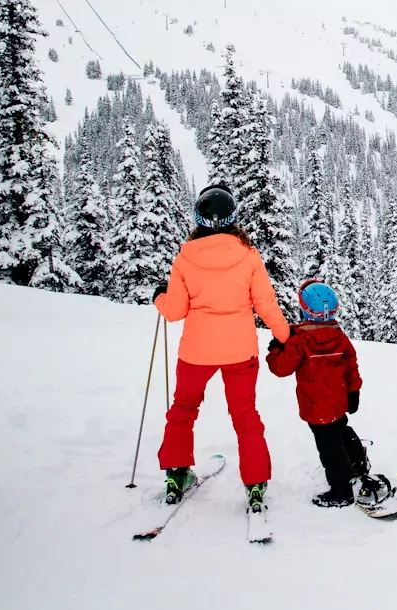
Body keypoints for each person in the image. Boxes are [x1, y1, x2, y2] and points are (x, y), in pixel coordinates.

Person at [153, 185, 290, 512]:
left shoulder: (185, 258)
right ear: (233, 217)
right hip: (240, 352)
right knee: (245, 416)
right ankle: (256, 483)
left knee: (183, 410)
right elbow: (266, 305)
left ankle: (176, 474)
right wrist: (285, 336)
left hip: (195, 352)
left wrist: (160, 297)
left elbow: (174, 312)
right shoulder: (248, 256)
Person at [266, 280, 392, 508]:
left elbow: (280, 368)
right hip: (338, 401)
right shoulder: (339, 336)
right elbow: (352, 365)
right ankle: (358, 463)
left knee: (329, 448)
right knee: (341, 430)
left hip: (316, 407)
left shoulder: (300, 342)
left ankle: (341, 490)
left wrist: (275, 350)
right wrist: (354, 392)